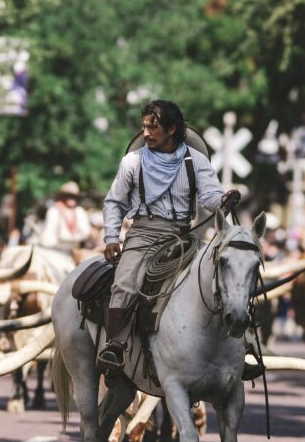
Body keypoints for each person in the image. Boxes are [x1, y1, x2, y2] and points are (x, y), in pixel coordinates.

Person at [98, 100, 239, 372]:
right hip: (142, 234)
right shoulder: (132, 161)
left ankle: (237, 348)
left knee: (221, 280)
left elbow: (209, 196)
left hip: (183, 237)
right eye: (144, 127)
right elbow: (114, 202)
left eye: (153, 128)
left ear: (172, 129)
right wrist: (111, 237)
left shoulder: (196, 161)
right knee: (125, 283)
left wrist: (223, 198)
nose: (146, 133)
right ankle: (114, 347)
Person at [41, 181, 91, 252]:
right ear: (62, 197)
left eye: (74, 196)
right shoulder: (54, 211)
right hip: (58, 249)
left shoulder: (79, 211)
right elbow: (48, 234)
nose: (72, 199)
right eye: (69, 196)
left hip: (77, 249)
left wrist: (75, 239)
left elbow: (86, 232)